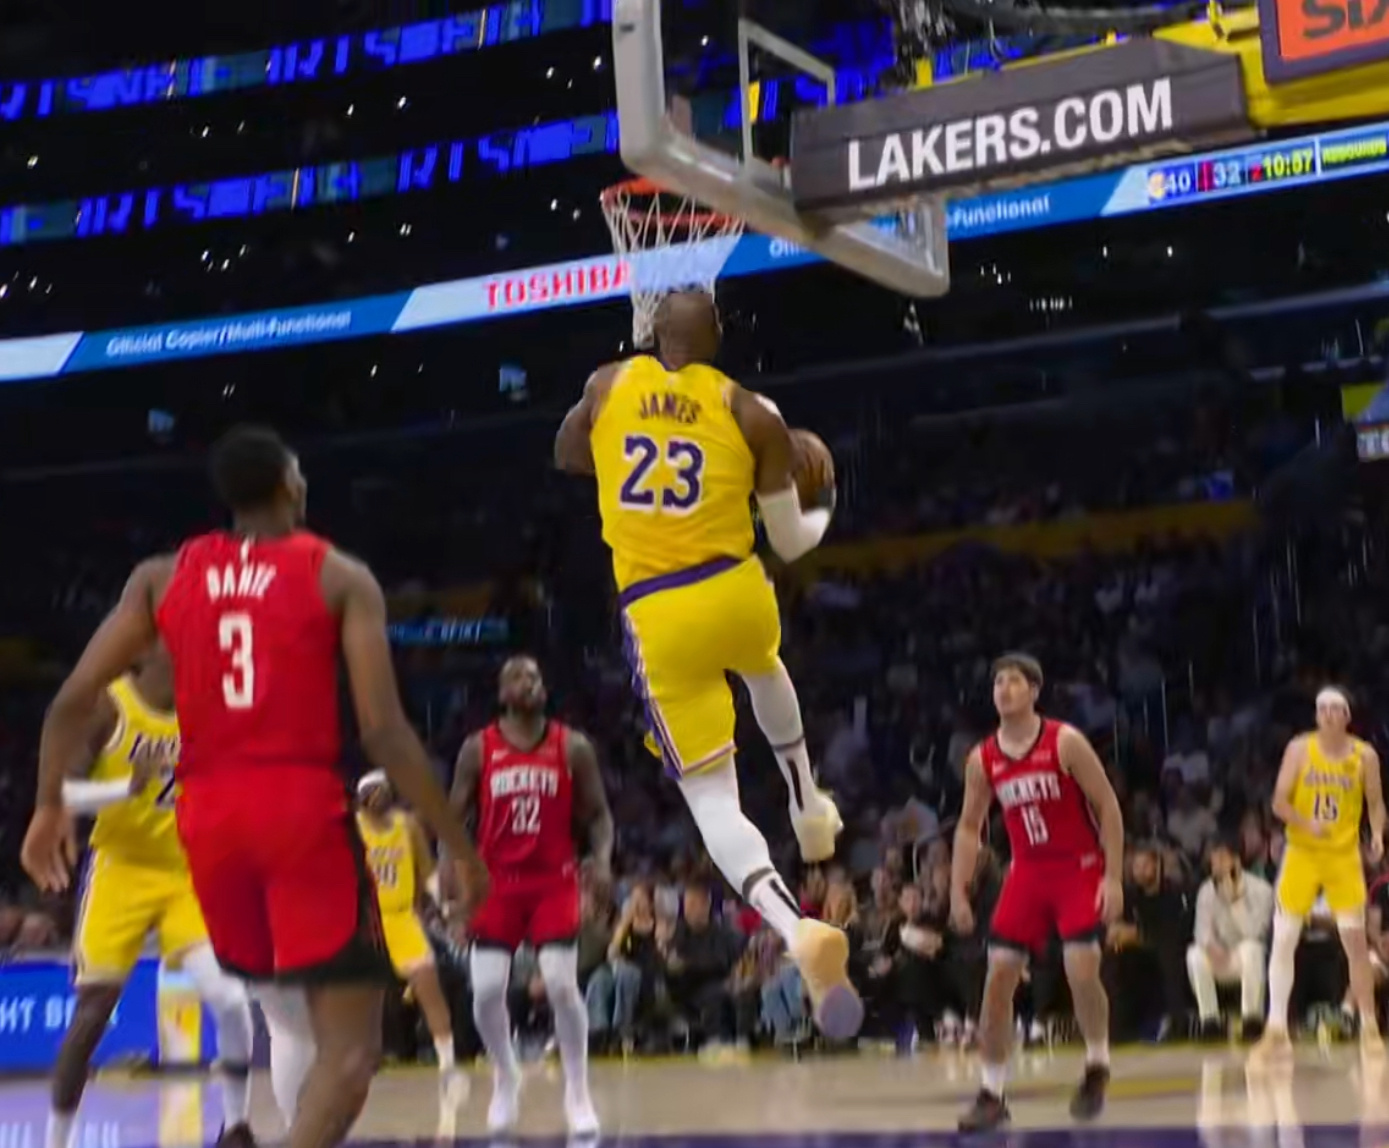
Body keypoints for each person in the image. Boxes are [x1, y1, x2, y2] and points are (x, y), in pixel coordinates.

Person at [21, 425, 487, 1148]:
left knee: (287, 1019)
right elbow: (385, 733)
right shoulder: (338, 575)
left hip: (207, 829)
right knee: (351, 1054)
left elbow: (71, 700)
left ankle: (255, 1128)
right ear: (289, 485)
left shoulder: (160, 577)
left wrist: (49, 802)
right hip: (297, 815)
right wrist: (458, 846)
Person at [554, 289, 860, 1039]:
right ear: (716, 335)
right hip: (734, 588)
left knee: (712, 799)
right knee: (766, 667)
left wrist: (621, 443)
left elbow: (566, 455)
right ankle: (806, 800)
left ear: (653, 333)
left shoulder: (607, 384)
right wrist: (823, 500)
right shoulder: (753, 412)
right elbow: (790, 542)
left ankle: (795, 929)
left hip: (658, 611)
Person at [47, 647, 256, 1148]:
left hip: (184, 875)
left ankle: (236, 1128)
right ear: (146, 653)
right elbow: (65, 793)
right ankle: (55, 1141)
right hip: (120, 870)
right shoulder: (110, 706)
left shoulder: (205, 712)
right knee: (93, 1011)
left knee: (231, 999)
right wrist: (127, 787)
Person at [949, 653, 1125, 1132]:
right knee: (997, 978)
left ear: (1034, 690)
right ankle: (992, 1092)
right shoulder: (983, 758)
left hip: (1077, 867)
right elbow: (968, 827)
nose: (1003, 689)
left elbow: (1108, 805)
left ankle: (1097, 1063)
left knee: (1081, 969)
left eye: (1013, 681)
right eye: (997, 683)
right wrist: (958, 892)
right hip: (1027, 872)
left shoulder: (1064, 741)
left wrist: (1112, 877)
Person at [449, 656, 613, 1136]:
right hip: (495, 882)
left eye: (536, 676)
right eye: (519, 677)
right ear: (502, 693)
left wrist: (602, 860)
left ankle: (577, 1090)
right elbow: (452, 819)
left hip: (552, 879)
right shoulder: (478, 749)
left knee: (561, 983)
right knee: (485, 992)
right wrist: (451, 875)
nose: (530, 683)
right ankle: (506, 1074)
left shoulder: (573, 746)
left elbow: (600, 815)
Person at [1255, 685, 1385, 1059]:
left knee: (1355, 943)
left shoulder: (1365, 755)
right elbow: (1279, 802)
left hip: (1343, 855)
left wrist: (1377, 834)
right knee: (1284, 938)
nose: (1327, 714)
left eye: (1334, 708)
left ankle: (1369, 1027)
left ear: (1347, 716)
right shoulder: (1299, 749)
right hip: (1303, 852)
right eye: (1322, 708)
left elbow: (1376, 803)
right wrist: (1304, 822)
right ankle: (1276, 1028)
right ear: (1315, 715)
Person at [355, 771, 465, 1096]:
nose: (381, 794)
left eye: (384, 789)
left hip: (402, 917)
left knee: (429, 984)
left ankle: (448, 1064)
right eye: (374, 790)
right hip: (368, 920)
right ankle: (362, 1056)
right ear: (363, 798)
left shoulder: (408, 826)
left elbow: (427, 872)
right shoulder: (353, 828)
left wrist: (443, 908)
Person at [1187, 836, 1273, 1041]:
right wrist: (1211, 946)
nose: (1216, 864)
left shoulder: (1261, 889)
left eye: (1221, 858)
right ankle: (1210, 1021)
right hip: (1219, 956)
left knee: (1251, 948)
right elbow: (1201, 931)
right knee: (1195, 954)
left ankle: (1251, 1020)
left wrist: (1235, 901)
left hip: (1247, 958)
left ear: (1236, 860)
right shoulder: (1207, 890)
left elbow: (1255, 932)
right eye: (1213, 859)